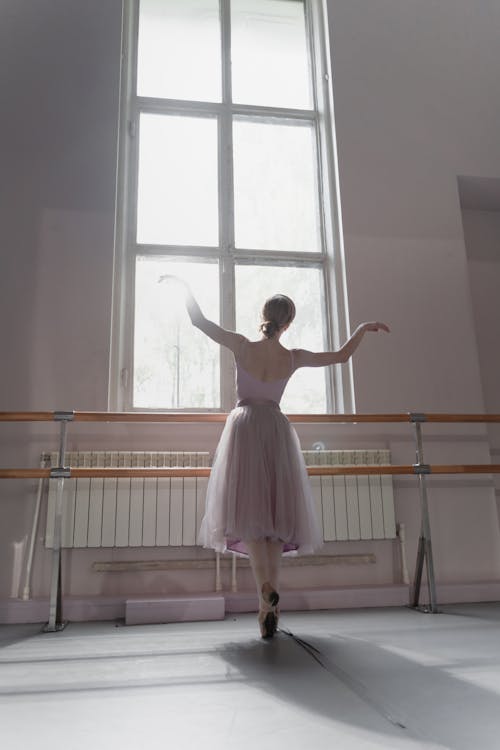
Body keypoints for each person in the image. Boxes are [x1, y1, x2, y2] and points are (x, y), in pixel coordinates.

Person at [159, 275, 390, 638]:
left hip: (245, 429)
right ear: (288, 323)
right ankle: (272, 607)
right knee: (275, 526)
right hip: (276, 430)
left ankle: (264, 594)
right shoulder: (292, 358)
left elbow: (198, 322)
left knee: (250, 519)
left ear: (264, 316)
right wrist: (361, 328)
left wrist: (185, 286)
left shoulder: (241, 345)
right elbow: (341, 357)